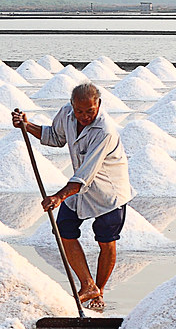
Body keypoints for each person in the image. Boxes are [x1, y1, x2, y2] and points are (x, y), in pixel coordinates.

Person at [12, 82, 132, 312]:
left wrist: (58, 197)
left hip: (108, 191)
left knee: (105, 241)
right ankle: (88, 285)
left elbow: (85, 174)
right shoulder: (66, 114)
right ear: (72, 106)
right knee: (64, 228)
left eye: (90, 111)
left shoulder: (104, 131)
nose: (84, 116)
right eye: (80, 111)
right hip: (79, 190)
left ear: (99, 105)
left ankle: (100, 290)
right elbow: (54, 138)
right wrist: (27, 126)